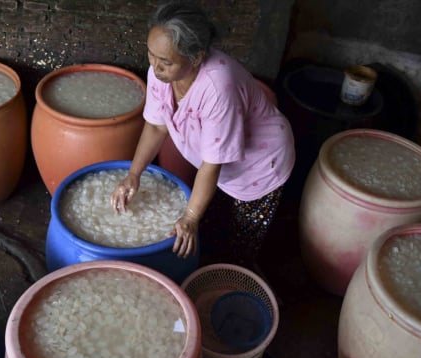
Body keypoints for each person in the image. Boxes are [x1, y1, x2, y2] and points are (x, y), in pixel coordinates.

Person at [110, 1, 295, 266]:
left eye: (165, 61)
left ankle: (232, 277)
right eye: (151, 54)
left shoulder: (217, 87)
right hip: (219, 169)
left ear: (196, 57)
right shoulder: (160, 74)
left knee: (240, 241)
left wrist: (191, 216)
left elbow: (211, 165)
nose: (154, 66)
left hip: (260, 165)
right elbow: (156, 125)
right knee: (212, 224)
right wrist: (133, 174)